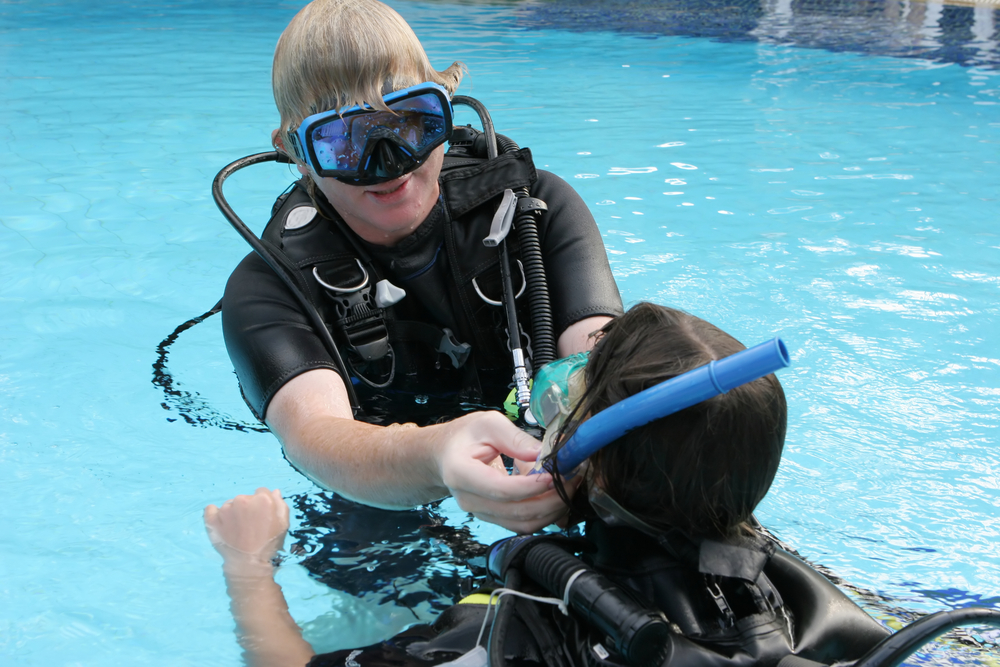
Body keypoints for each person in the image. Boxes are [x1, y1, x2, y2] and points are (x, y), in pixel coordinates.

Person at [204, 304, 892, 667]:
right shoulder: (793, 590)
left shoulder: (514, 628)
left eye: (580, 382)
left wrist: (247, 564)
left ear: (588, 453)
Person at [220, 0, 623, 534]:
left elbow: (598, 351)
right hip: (376, 490)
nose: (391, 165)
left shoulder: (536, 206)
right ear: (295, 150)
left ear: (446, 110)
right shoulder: (269, 286)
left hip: (545, 454)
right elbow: (315, 437)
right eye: (346, 140)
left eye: (412, 123)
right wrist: (435, 457)